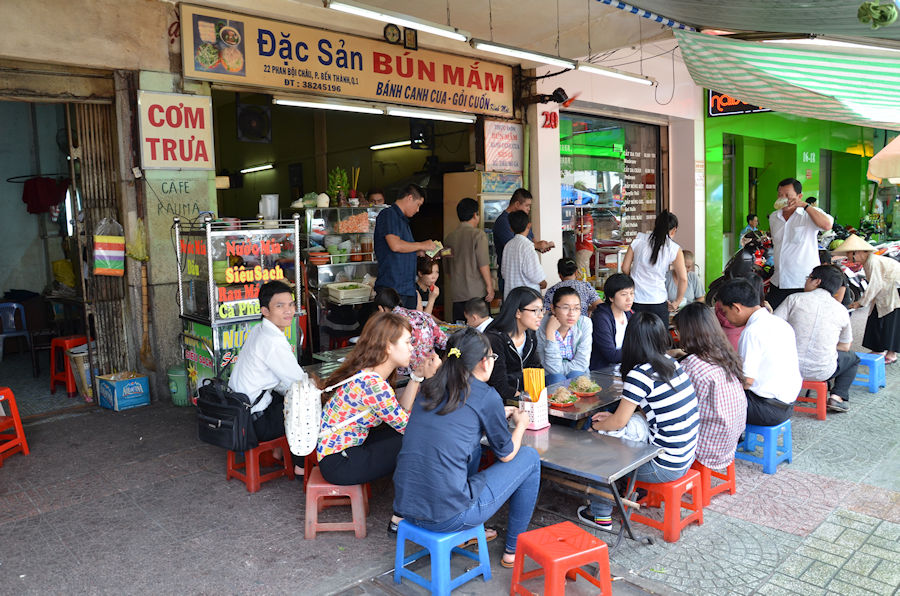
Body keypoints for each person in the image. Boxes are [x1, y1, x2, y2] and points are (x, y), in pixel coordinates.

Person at [393, 328, 541, 569]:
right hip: (449, 516)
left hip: (407, 509)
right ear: (484, 362)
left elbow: (456, 427)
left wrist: (492, 416)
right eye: (493, 358)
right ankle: (513, 551)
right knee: (530, 458)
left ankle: (468, 535)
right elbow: (507, 454)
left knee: (469, 450)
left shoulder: (430, 387)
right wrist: (521, 425)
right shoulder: (486, 395)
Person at [317, 312, 440, 533]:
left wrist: (417, 376)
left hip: (340, 453)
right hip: (340, 463)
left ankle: (406, 509)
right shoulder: (374, 385)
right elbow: (408, 427)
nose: (412, 347)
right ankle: (401, 516)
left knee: (404, 438)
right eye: (407, 342)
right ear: (388, 347)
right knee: (416, 443)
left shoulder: (369, 375)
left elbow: (399, 414)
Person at [582, 312, 699, 528]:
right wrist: (614, 419)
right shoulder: (671, 364)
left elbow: (618, 423)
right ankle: (623, 496)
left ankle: (600, 514)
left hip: (664, 466)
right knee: (616, 432)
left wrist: (597, 426)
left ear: (631, 340)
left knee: (598, 447)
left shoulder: (640, 374)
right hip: (685, 457)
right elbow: (651, 411)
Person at [228, 281, 306, 471]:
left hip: (239, 413)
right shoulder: (272, 342)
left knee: (285, 396)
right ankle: (300, 467)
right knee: (306, 406)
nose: (288, 311)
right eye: (280, 306)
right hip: (255, 424)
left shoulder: (258, 329)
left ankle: (277, 452)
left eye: (291, 304)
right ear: (265, 310)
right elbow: (300, 384)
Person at [774, 264, 858, 412]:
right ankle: (837, 397)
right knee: (852, 358)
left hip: (787, 366)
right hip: (823, 371)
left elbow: (773, 326)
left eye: (808, 278)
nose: (806, 281)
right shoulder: (841, 310)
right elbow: (845, 346)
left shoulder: (794, 299)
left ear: (817, 281)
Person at [717, 278, 801, 426]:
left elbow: (746, 381)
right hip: (787, 403)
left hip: (766, 409)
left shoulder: (752, 332)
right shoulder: (780, 323)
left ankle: (724, 444)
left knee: (709, 401)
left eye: (726, 312)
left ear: (736, 308)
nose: (727, 318)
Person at [672, 303, 746, 471]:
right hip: (730, 441)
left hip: (707, 448)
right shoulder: (724, 354)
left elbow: (680, 410)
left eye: (678, 331)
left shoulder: (692, 365)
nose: (677, 336)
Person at [767, 178, 833, 310]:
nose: (783, 198)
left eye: (787, 195)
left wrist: (805, 206)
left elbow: (827, 225)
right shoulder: (774, 217)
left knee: (800, 321)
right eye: (780, 195)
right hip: (778, 280)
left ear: (799, 196)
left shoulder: (808, 215)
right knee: (773, 317)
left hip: (801, 282)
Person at [834, 234, 900, 364]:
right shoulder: (868, 262)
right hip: (886, 291)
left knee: (891, 321)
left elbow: (875, 285)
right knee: (876, 318)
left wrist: (860, 303)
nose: (849, 257)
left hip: (894, 290)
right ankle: (878, 349)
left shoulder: (872, 261)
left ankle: (890, 354)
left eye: (850, 253)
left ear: (857, 252)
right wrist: (862, 302)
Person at [373, 184, 439, 309]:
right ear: (409, 198)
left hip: (407, 287)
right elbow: (395, 246)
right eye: (418, 204)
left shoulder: (403, 221)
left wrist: (418, 251)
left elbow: (399, 250)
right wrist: (422, 244)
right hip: (393, 287)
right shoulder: (389, 214)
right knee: (395, 327)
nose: (418, 210)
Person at [622, 210, 687, 321]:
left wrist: (634, 279)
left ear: (655, 225)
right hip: (658, 300)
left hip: (636, 299)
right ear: (674, 230)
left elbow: (624, 268)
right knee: (659, 337)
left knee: (636, 335)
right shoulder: (674, 249)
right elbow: (683, 279)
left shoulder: (638, 240)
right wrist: (677, 302)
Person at [484, 286, 543, 400]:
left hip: (523, 397)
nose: (540, 315)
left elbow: (535, 368)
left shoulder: (530, 335)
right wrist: (523, 398)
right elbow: (498, 383)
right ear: (518, 313)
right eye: (535, 310)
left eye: (541, 310)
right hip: (498, 400)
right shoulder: (495, 339)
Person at [492, 188, 553, 294]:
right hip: (513, 276)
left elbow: (532, 241)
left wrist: (540, 246)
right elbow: (517, 246)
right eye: (527, 205)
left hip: (526, 277)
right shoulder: (503, 222)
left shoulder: (523, 221)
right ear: (517, 204)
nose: (529, 209)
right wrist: (537, 245)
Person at [443, 197, 494, 323]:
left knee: (460, 330)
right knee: (480, 330)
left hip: (457, 295)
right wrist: (489, 286)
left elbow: (447, 268)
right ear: (475, 215)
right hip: (476, 294)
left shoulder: (448, 238)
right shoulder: (478, 235)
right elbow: (483, 263)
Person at [374, 287, 447, 373]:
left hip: (403, 374)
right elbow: (444, 342)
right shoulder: (423, 315)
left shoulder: (389, 323)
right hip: (429, 370)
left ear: (381, 309)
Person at [536, 287, 592, 385]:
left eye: (576, 308)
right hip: (550, 375)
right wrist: (550, 332)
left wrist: (564, 371)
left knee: (577, 376)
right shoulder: (540, 326)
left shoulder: (584, 323)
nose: (572, 313)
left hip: (577, 372)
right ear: (553, 308)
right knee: (557, 378)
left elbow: (582, 363)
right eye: (566, 308)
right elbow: (552, 369)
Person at [590, 273, 634, 370]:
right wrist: (638, 351)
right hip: (604, 371)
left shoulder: (630, 314)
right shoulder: (601, 318)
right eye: (624, 294)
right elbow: (612, 355)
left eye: (631, 293)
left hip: (626, 366)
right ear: (611, 297)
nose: (629, 298)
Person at [501, 211, 547, 298]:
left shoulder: (508, 245)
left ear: (511, 228)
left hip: (510, 296)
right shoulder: (528, 246)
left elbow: (504, 272)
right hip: (526, 298)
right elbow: (534, 274)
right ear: (529, 225)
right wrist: (543, 282)